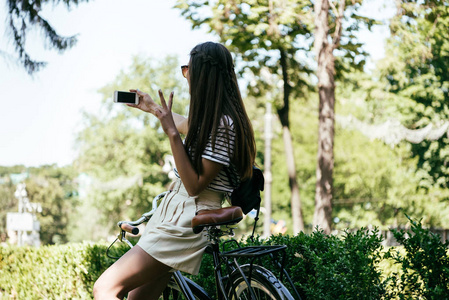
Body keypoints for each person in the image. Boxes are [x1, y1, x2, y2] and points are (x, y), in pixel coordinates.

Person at [93, 41, 256, 300]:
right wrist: (153, 109)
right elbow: (184, 123)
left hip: (187, 219)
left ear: (203, 75)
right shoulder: (214, 120)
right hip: (175, 214)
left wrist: (170, 133)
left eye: (187, 70)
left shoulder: (223, 124)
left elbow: (195, 185)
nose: (186, 76)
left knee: (105, 288)